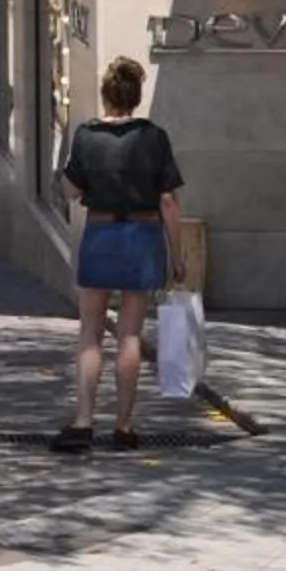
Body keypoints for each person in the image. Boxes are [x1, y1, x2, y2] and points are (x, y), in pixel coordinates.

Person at [53, 55, 186, 451]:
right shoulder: (155, 137)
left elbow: (71, 190)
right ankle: (124, 426)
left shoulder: (86, 135)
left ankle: (83, 421)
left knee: (91, 332)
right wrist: (176, 256)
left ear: (106, 95)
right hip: (143, 237)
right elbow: (168, 202)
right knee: (129, 335)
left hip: (101, 233)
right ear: (136, 96)